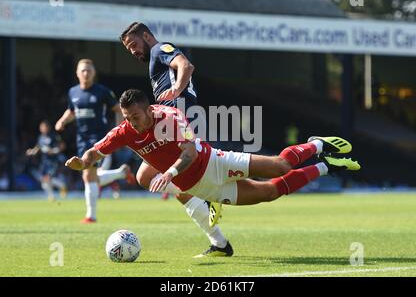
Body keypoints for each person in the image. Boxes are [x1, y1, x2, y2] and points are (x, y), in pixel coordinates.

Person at [65, 90, 361, 249]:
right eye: (127, 117)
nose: (132, 123)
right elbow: (96, 149)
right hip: (202, 188)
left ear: (150, 110)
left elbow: (190, 152)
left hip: (215, 164)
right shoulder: (125, 131)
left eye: (136, 116)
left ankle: (318, 145)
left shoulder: (169, 117)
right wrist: (83, 161)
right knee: (270, 192)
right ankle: (326, 167)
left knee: (279, 166)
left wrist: (169, 174)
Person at [120, 23, 231, 257]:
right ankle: (220, 243)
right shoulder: (154, 59)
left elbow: (186, 65)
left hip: (176, 124)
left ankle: (208, 195)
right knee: (166, 185)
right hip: (170, 126)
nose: (132, 51)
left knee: (148, 177)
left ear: (147, 36)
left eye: (133, 44)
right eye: (128, 48)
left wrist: (177, 89)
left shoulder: (160, 49)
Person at [55, 59, 136, 223]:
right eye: (83, 70)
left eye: (89, 71)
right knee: (91, 176)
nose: (86, 73)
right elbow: (72, 110)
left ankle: (91, 216)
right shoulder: (73, 92)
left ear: (94, 73)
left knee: (88, 174)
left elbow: (117, 109)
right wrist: (62, 121)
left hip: (98, 137)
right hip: (81, 138)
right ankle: (121, 173)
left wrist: (120, 129)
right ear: (77, 73)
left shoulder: (102, 91)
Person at [26, 120, 67, 201]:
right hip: (44, 161)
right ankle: (53, 194)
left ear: (48, 127)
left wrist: (54, 151)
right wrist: (31, 151)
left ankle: (60, 187)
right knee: (44, 180)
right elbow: (38, 148)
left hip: (53, 161)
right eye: (41, 127)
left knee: (48, 178)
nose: (42, 129)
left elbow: (62, 146)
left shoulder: (54, 136)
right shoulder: (41, 137)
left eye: (44, 127)